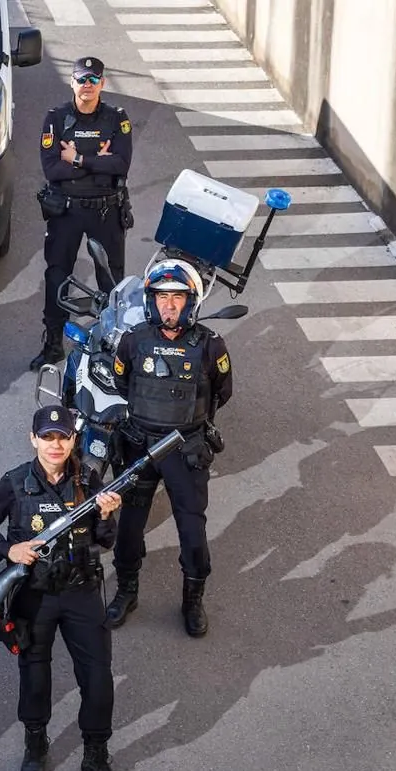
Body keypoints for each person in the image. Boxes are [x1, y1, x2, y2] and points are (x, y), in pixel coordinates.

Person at [0, 404, 125, 771]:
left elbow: (106, 541)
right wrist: (9, 550)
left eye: (63, 437)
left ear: (74, 439)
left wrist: (106, 517)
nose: (56, 445)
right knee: (35, 676)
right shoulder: (15, 483)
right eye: (48, 437)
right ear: (33, 439)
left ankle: (96, 754)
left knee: (99, 679)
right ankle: (35, 745)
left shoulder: (89, 481)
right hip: (34, 594)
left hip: (82, 592)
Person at [105, 259, 233, 637]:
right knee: (128, 530)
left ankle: (193, 601)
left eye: (177, 297)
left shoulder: (211, 346)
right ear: (151, 301)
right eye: (162, 297)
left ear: (191, 301)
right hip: (139, 445)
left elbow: (222, 392)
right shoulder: (134, 341)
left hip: (185, 447)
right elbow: (122, 384)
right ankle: (127, 591)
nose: (169, 306)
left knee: (192, 534)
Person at [31, 56, 134, 370]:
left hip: (106, 210)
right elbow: (51, 168)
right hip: (67, 211)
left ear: (102, 83)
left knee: (111, 280)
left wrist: (77, 159)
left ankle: (111, 345)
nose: (87, 85)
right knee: (57, 275)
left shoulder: (118, 118)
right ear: (72, 82)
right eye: (81, 79)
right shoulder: (56, 117)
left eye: (93, 79)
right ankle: (52, 344)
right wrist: (97, 162)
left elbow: (121, 165)